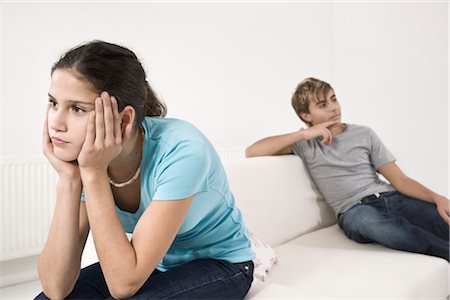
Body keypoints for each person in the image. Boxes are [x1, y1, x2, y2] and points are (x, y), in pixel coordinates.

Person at [36, 40, 255, 300]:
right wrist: (70, 181)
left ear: (124, 119)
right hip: (154, 263)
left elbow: (123, 285)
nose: (56, 123)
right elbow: (55, 288)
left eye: (77, 109)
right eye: (53, 103)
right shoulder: (84, 158)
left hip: (222, 263)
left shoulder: (183, 149)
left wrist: (93, 175)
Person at [246, 77, 449, 261]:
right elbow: (252, 151)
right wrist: (302, 135)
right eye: (323, 105)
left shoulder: (364, 134)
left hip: (391, 197)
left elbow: (400, 180)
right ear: (306, 115)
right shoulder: (305, 144)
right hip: (354, 210)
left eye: (334, 99)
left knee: (440, 219)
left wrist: (437, 198)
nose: (334, 108)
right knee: (374, 225)